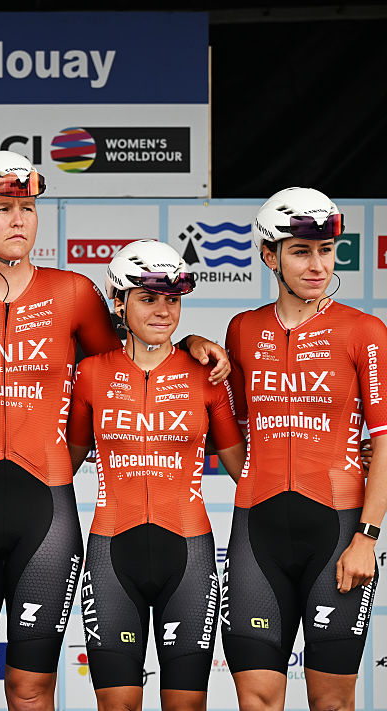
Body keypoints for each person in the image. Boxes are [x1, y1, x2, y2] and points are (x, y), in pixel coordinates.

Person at [0, 151, 230, 711]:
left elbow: (130, 365)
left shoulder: (76, 292)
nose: (19, 220)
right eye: (3, 208)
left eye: (29, 208)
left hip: (48, 511)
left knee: (32, 691)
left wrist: (187, 345)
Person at [221, 188, 387, 711]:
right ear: (269, 255)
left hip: (338, 532)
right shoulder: (243, 329)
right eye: (300, 250)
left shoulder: (365, 330)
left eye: (326, 250)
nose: (317, 264)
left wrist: (367, 536)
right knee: (257, 699)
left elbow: (384, 440)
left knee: (333, 702)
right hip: (256, 530)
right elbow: (233, 434)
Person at [66, 240, 245, 711]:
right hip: (111, 554)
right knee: (117, 705)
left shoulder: (206, 373)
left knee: (186, 705)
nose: (164, 310)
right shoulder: (90, 374)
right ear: (119, 302)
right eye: (149, 298)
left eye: (172, 299)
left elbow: (244, 468)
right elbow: (60, 465)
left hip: (188, 553)